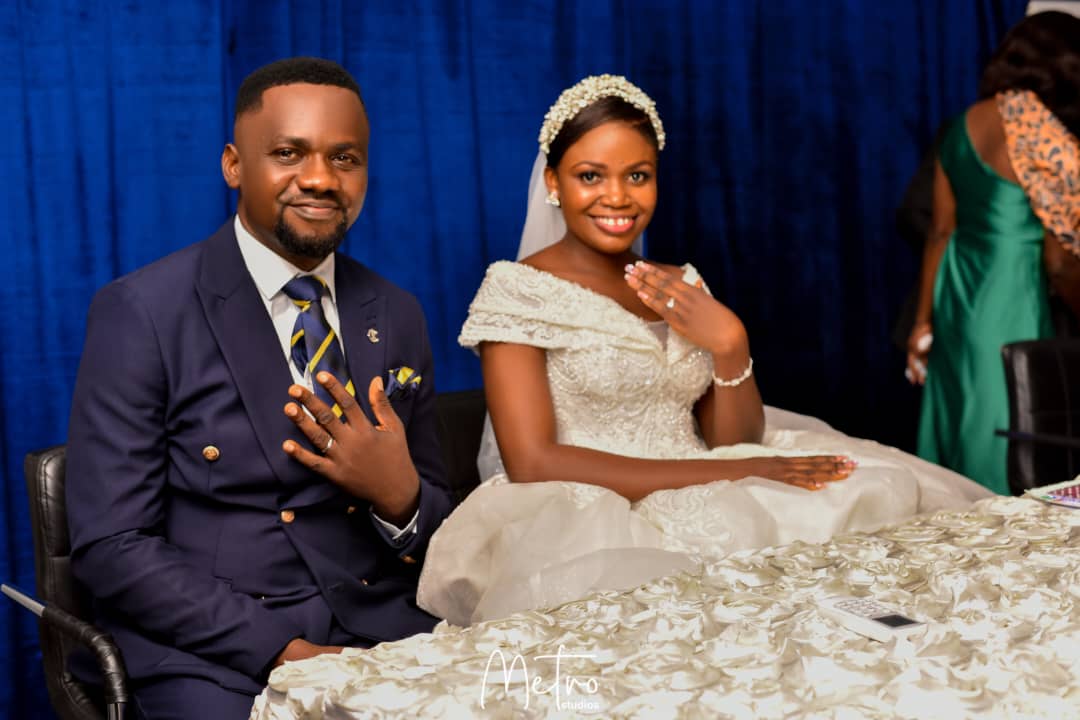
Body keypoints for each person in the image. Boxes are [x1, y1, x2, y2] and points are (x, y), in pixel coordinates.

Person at [416, 74, 991, 627]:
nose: (617, 196)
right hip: (588, 509)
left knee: (876, 506)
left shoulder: (680, 283)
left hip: (716, 479)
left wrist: (731, 344)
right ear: (553, 182)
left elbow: (730, 439)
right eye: (590, 175)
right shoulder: (517, 290)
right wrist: (741, 471)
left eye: (638, 175)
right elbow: (533, 461)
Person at [65, 57, 453, 718]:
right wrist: (284, 651)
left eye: (345, 158)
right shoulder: (144, 311)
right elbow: (112, 546)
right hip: (213, 648)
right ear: (233, 165)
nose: (320, 178)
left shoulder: (395, 311)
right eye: (288, 153)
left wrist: (400, 497)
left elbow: (445, 522)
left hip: (380, 622)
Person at [908, 11, 1080, 496]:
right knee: (1009, 416)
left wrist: (922, 323)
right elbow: (1059, 261)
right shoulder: (1038, 130)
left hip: (959, 291)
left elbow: (940, 231)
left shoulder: (962, 123)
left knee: (963, 412)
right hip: (1011, 291)